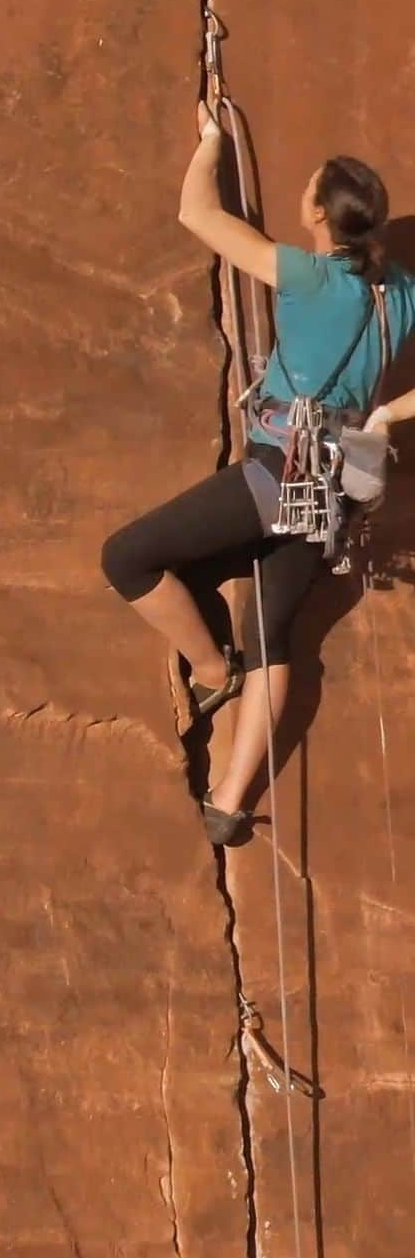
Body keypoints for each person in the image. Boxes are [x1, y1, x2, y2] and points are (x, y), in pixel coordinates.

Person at [101, 103, 415, 844]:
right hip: (335, 489)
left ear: (319, 216)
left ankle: (212, 671)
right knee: (276, 633)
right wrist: (385, 416)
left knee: (127, 557)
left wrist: (211, 139)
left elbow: (197, 214)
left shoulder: (307, 276)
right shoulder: (399, 290)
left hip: (277, 472)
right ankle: (229, 802)